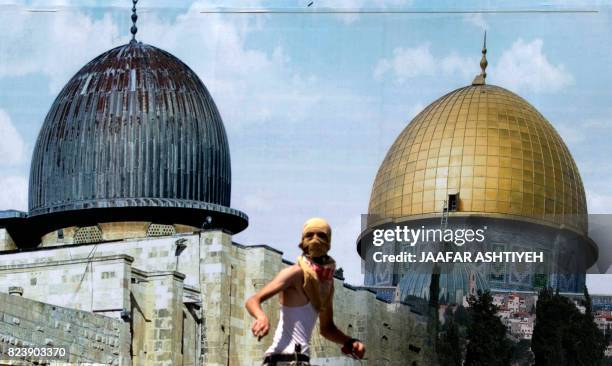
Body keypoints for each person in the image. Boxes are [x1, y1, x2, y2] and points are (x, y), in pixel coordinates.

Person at [245, 218, 366, 366]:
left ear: (328, 241)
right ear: (303, 241)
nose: (315, 240)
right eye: (309, 235)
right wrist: (261, 317)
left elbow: (327, 328)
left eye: (321, 235)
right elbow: (253, 300)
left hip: (302, 360)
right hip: (281, 360)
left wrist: (349, 341)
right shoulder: (295, 273)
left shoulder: (327, 283)